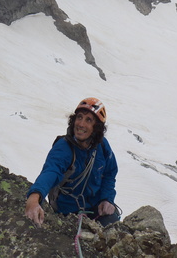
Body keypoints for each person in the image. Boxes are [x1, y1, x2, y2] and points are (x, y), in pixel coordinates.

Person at [25, 97, 120, 227]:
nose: (81, 124)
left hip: (96, 208)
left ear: (96, 127)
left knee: (114, 232)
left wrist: (107, 198)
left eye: (88, 120)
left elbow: (110, 172)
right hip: (67, 212)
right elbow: (51, 171)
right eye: (79, 117)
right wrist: (35, 197)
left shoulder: (102, 146)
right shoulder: (64, 147)